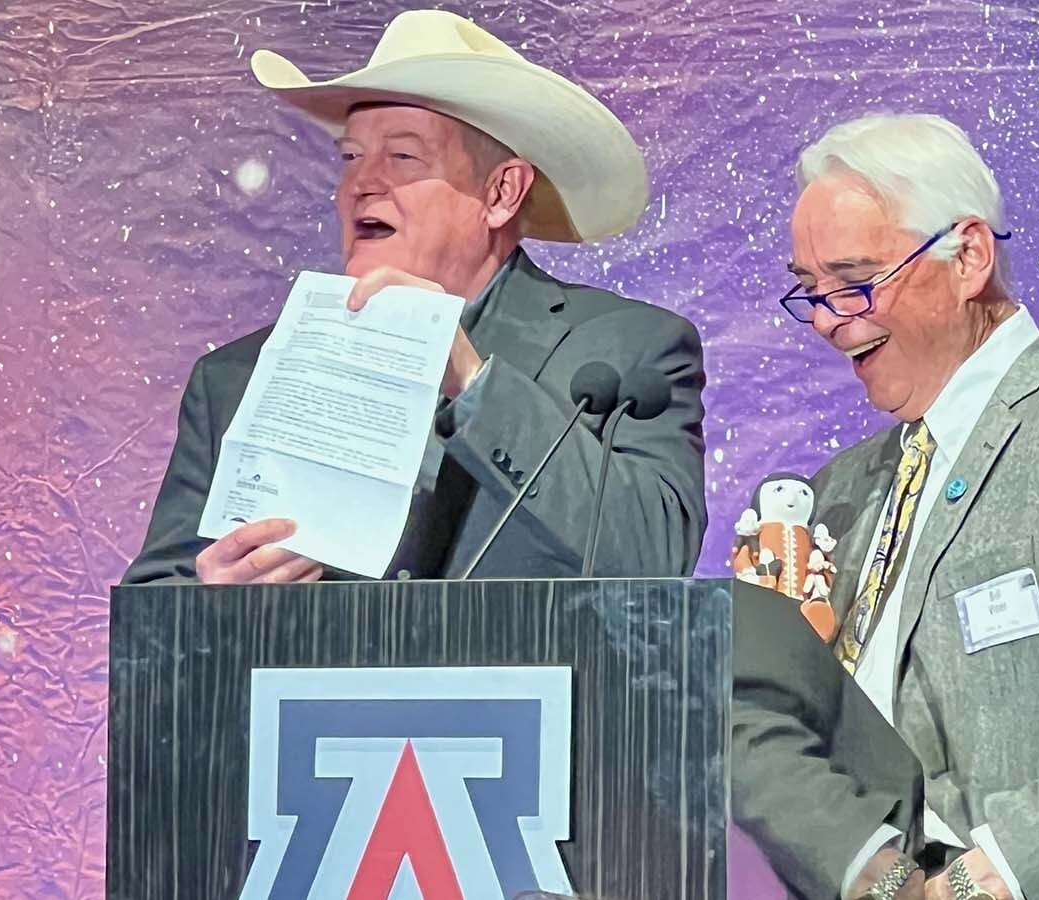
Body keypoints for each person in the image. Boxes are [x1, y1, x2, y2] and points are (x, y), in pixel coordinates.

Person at [731, 113, 1039, 900]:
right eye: (811, 292)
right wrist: (760, 649)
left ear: (968, 256)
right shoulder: (841, 493)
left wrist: (974, 883)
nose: (829, 320)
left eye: (855, 281)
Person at [123, 10, 706, 585]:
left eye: (403, 157)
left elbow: (655, 555)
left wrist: (473, 381)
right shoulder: (235, 379)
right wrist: (212, 606)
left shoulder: (624, 356)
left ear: (501, 192)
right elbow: (152, 617)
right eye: (351, 157)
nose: (361, 183)